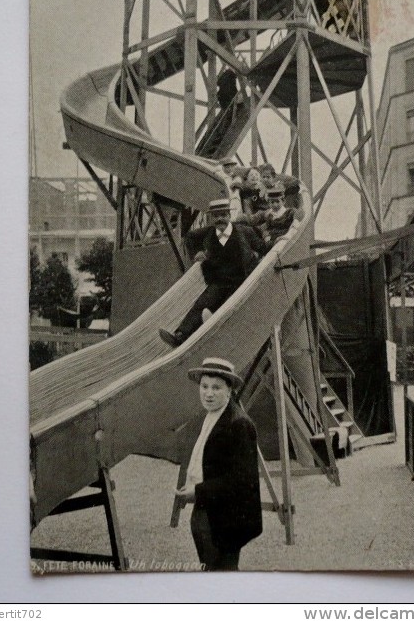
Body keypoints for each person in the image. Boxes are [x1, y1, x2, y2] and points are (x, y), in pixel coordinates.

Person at [175, 357, 262, 571]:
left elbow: (242, 481)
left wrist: (199, 492)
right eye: (204, 386)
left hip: (224, 517)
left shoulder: (238, 424)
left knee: (221, 573)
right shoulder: (213, 415)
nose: (209, 393)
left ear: (230, 390)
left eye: (216, 387)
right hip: (208, 507)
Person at [159, 198, 266, 347]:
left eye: (223, 215)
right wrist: (197, 253)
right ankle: (180, 336)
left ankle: (210, 330)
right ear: (211, 218)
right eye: (216, 216)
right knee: (202, 303)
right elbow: (189, 238)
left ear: (229, 216)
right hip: (219, 280)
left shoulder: (244, 232)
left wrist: (279, 239)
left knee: (229, 306)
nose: (220, 219)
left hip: (242, 280)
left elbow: (262, 247)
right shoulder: (208, 233)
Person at [245, 182, 302, 247]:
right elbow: (264, 227)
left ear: (283, 201)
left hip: (283, 240)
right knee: (248, 231)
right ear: (269, 203)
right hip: (271, 241)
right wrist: (266, 236)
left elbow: (299, 215)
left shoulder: (290, 212)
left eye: (277, 201)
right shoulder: (269, 214)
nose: (275, 205)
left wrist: (288, 234)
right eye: (272, 202)